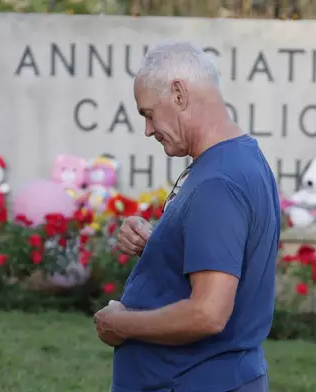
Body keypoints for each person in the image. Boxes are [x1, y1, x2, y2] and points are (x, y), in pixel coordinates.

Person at [93, 40, 281, 392]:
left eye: (149, 113)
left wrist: (122, 325)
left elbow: (207, 313)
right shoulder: (240, 159)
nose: (148, 129)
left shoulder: (218, 183)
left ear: (179, 94)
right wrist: (162, 244)